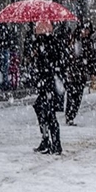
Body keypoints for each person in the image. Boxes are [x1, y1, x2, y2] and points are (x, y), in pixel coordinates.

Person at [32, 21, 64, 155]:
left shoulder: (50, 44)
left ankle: (54, 143)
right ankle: (47, 140)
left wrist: (39, 56)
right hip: (46, 84)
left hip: (49, 85)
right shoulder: (42, 43)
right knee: (42, 110)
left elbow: (50, 63)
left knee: (49, 114)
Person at [63, 21, 96, 126]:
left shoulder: (88, 43)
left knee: (78, 96)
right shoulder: (74, 40)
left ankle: (71, 115)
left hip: (81, 74)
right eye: (84, 30)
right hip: (72, 73)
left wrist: (92, 72)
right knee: (71, 95)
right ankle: (69, 116)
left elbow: (91, 59)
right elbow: (68, 55)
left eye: (87, 30)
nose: (85, 32)